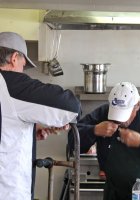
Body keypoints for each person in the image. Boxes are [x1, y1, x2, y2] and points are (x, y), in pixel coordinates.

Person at [0, 32, 81, 200]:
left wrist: (30, 129)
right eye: (23, 65)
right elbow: (70, 107)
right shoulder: (11, 84)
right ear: (14, 58)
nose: (22, 71)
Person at [68, 81, 140, 200]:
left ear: (137, 105)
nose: (121, 122)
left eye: (124, 115)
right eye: (116, 115)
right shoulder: (103, 113)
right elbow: (72, 140)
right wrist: (94, 130)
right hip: (113, 193)